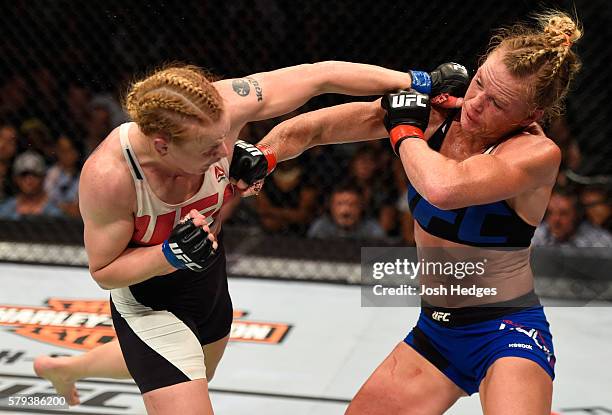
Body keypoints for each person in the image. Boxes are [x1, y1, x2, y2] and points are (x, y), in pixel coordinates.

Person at [33, 61, 458, 414]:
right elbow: (104, 271)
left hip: (208, 283)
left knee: (193, 364)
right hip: (148, 300)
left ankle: (66, 367)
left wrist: (413, 81)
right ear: (162, 147)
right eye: (209, 149)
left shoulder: (222, 104)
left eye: (225, 137)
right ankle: (72, 367)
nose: (224, 152)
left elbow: (320, 75)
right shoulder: (111, 177)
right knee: (177, 372)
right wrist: (170, 253)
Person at [255, 10, 581, 414]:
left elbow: (444, 188)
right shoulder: (441, 115)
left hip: (507, 331)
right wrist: (263, 155)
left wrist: (405, 128)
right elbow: (317, 129)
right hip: (437, 333)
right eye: (479, 83)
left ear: (530, 116)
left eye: (497, 103)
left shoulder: (535, 153)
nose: (476, 104)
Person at [532, 187, 612, 247]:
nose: (555, 220)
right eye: (550, 213)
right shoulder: (536, 235)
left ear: (576, 215)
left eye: (563, 214)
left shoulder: (600, 242)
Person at [308, 181, 386, 240]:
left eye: (352, 205)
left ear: (361, 207)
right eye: (340, 204)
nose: (345, 211)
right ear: (331, 207)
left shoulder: (372, 230)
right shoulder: (321, 227)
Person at [0, 150, 62, 219]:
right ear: (15, 178)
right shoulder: (5, 210)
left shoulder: (55, 211)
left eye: (35, 174)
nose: (29, 180)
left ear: (43, 177)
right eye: (24, 174)